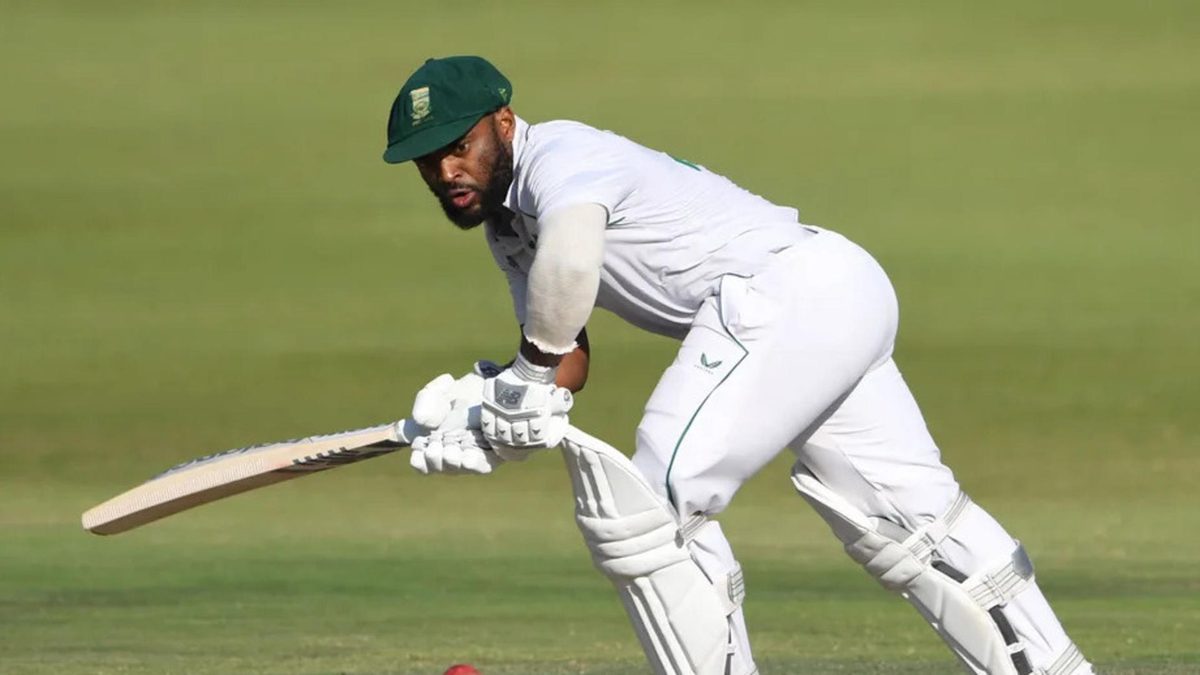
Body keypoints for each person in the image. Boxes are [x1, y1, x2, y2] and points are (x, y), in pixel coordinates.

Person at [384, 55, 1092, 675]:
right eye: (427, 161)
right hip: (829, 296)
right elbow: (562, 354)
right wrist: (490, 410)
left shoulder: (561, 157)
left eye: (460, 147)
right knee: (908, 521)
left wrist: (527, 381)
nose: (446, 172)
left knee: (653, 505)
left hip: (785, 294)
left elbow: (569, 266)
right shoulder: (509, 224)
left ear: (504, 122)